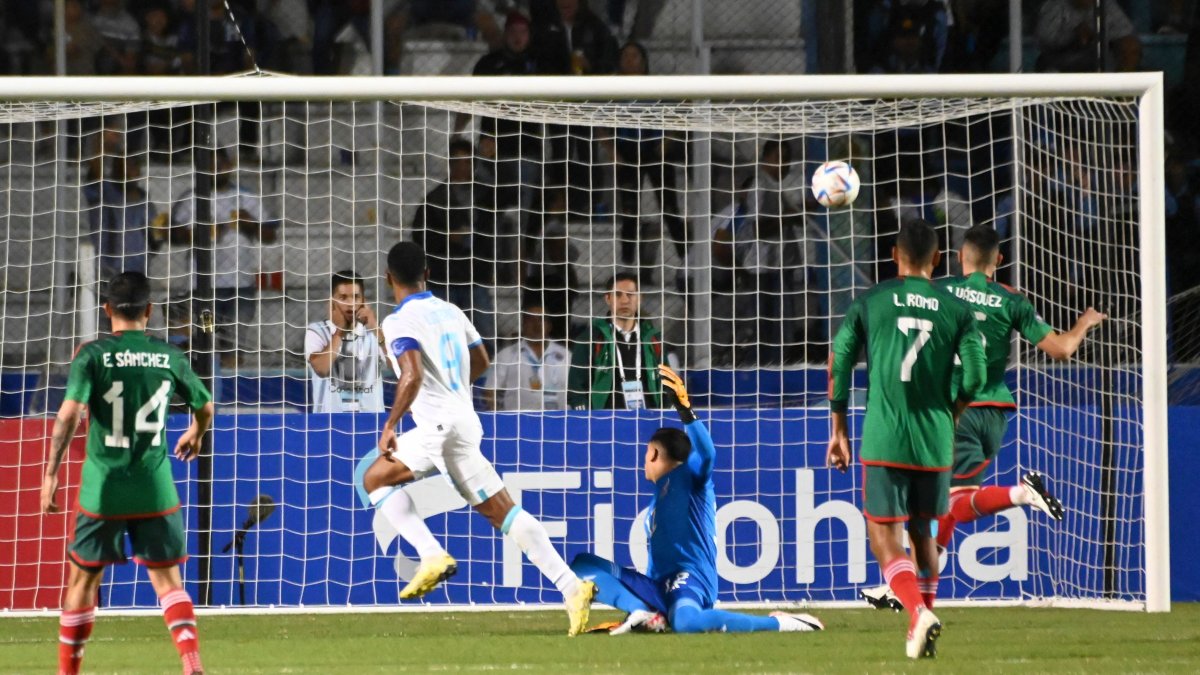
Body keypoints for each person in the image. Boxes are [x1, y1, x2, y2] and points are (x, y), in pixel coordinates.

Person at [861, 224, 1108, 613]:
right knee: (948, 507)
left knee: (946, 504)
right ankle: (909, 591)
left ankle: (1021, 494)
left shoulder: (938, 292)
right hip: (996, 414)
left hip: (956, 409)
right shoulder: (1012, 300)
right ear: (999, 261)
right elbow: (1061, 349)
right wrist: (1084, 323)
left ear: (958, 257)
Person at [355, 241, 596, 635]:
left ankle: (431, 554)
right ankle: (572, 586)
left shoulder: (400, 320)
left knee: (373, 479)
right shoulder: (452, 311)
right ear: (427, 274)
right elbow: (482, 361)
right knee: (503, 511)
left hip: (436, 426)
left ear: (387, 279)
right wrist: (451, 393)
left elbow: (411, 374)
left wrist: (390, 424)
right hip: (464, 422)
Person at [39, 271, 214, 675]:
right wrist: (196, 432)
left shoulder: (92, 354)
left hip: (104, 490)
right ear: (150, 311)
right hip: (155, 489)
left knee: (82, 584)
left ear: (107, 311)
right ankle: (191, 662)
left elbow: (68, 416)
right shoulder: (170, 355)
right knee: (168, 583)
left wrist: (51, 473)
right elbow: (205, 407)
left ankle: (68, 673)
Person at [827, 219, 986, 659]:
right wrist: (950, 411)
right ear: (938, 259)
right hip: (934, 441)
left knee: (883, 537)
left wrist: (838, 427)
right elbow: (975, 377)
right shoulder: (956, 311)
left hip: (884, 436)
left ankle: (917, 614)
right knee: (924, 537)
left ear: (894, 255)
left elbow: (839, 359)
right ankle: (924, 625)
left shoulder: (872, 300)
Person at [570, 365, 824, 635]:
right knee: (582, 565)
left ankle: (783, 623)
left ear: (655, 454)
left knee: (686, 623)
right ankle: (642, 611)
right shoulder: (658, 499)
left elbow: (707, 454)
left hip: (690, 580)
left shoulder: (690, 476)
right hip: (658, 587)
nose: (643, 461)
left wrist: (686, 411)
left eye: (646, 453)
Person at [411, 138, 496, 352]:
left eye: (467, 161)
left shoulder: (485, 196)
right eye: (458, 161)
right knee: (442, 337)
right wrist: (447, 238)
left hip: (474, 277)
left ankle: (487, 381)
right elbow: (420, 237)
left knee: (483, 337)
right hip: (444, 279)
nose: (463, 167)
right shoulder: (434, 199)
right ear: (450, 163)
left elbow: (492, 233)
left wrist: (490, 267)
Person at [567, 272, 664, 410]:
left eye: (630, 295)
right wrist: (587, 415)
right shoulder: (590, 338)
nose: (624, 301)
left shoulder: (653, 339)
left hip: (648, 420)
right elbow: (576, 386)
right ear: (608, 298)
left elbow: (668, 383)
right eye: (618, 295)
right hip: (604, 421)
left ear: (639, 298)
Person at [305, 271, 386, 413]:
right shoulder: (317, 331)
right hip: (329, 424)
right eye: (343, 297)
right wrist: (339, 331)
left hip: (371, 424)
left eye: (355, 297)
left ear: (363, 301)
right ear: (332, 302)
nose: (350, 304)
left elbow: (398, 365)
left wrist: (375, 327)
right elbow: (321, 369)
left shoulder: (376, 331)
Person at [486, 301, 570, 411]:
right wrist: (501, 419)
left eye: (541, 319)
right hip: (518, 423)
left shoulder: (566, 356)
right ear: (523, 324)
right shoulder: (506, 355)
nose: (536, 325)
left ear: (549, 326)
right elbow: (490, 390)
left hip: (558, 422)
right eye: (531, 320)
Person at [1035, 0, 1142, 73]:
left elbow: (1126, 35)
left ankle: (1121, 99)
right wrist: (1073, 33)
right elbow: (1046, 38)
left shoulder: (1105, 4)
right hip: (1060, 66)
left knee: (1130, 49)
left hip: (1099, 67)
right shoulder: (1056, 5)